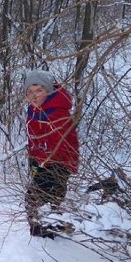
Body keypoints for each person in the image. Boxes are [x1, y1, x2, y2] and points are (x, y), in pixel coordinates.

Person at [23, 70, 80, 238]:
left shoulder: (57, 112)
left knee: (35, 199)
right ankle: (56, 228)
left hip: (57, 163)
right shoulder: (34, 110)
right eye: (30, 92)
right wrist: (33, 158)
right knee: (50, 200)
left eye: (38, 90)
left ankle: (44, 234)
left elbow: (59, 146)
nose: (33, 95)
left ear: (48, 91)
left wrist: (42, 163)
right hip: (42, 160)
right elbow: (34, 138)